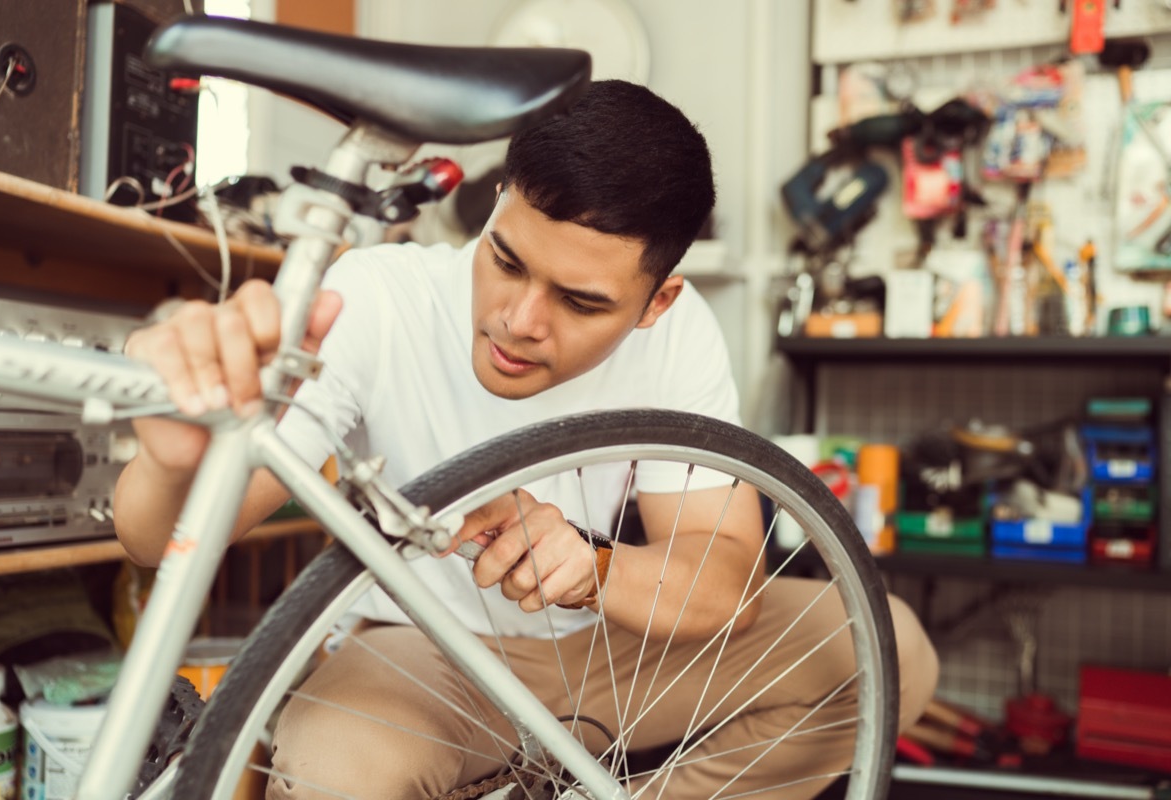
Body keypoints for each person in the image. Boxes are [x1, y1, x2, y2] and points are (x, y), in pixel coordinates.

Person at [115, 79, 938, 799]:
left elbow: (725, 584)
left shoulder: (681, 334)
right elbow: (155, 540)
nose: (518, 322)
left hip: (611, 651)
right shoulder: (375, 300)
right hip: (419, 651)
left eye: (580, 303)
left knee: (887, 648)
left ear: (657, 301)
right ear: (499, 200)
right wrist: (172, 458)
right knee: (336, 773)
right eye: (505, 260)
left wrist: (595, 567)